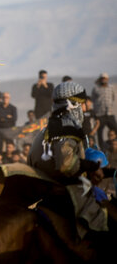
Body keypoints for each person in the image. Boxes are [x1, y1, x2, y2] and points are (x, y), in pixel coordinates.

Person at [28, 81, 111, 259]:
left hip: (42, 190)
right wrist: (89, 166)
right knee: (104, 221)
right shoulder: (67, 128)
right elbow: (66, 166)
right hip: (65, 192)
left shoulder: (43, 131)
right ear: (71, 104)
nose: (83, 108)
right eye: (81, 104)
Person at [91, 73, 116, 150]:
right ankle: (103, 149)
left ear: (107, 79)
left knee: (115, 129)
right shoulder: (96, 89)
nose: (104, 79)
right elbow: (93, 100)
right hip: (100, 114)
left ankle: (114, 146)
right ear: (100, 79)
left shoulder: (111, 88)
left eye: (105, 78)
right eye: (102, 78)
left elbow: (113, 97)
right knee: (100, 133)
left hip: (110, 113)